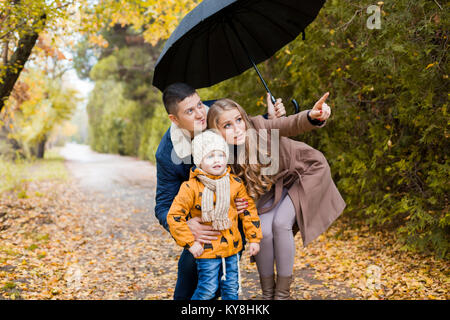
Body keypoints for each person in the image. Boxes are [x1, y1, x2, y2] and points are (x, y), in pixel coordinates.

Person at [207, 94, 346, 299]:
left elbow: (290, 124)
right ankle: (268, 294)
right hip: (274, 189)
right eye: (227, 125)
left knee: (281, 224)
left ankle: (282, 295)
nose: (237, 128)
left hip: (304, 172)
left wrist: (312, 116)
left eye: (239, 120)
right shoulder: (221, 156)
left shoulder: (259, 127)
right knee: (263, 231)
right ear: (216, 132)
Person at [154, 82, 286, 300]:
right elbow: (163, 204)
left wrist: (270, 118)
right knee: (189, 268)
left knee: (221, 279)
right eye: (189, 111)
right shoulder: (168, 153)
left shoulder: (213, 111)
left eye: (198, 104)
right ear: (174, 120)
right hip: (202, 218)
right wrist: (185, 223)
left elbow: (241, 125)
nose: (199, 114)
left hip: (236, 207)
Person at [167, 130, 262, 300]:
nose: (217, 160)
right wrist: (190, 242)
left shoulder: (235, 184)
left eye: (220, 154)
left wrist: (254, 238)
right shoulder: (190, 188)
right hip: (207, 249)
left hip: (232, 247)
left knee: (232, 289)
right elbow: (174, 217)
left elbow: (248, 212)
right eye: (210, 156)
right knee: (208, 289)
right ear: (199, 162)